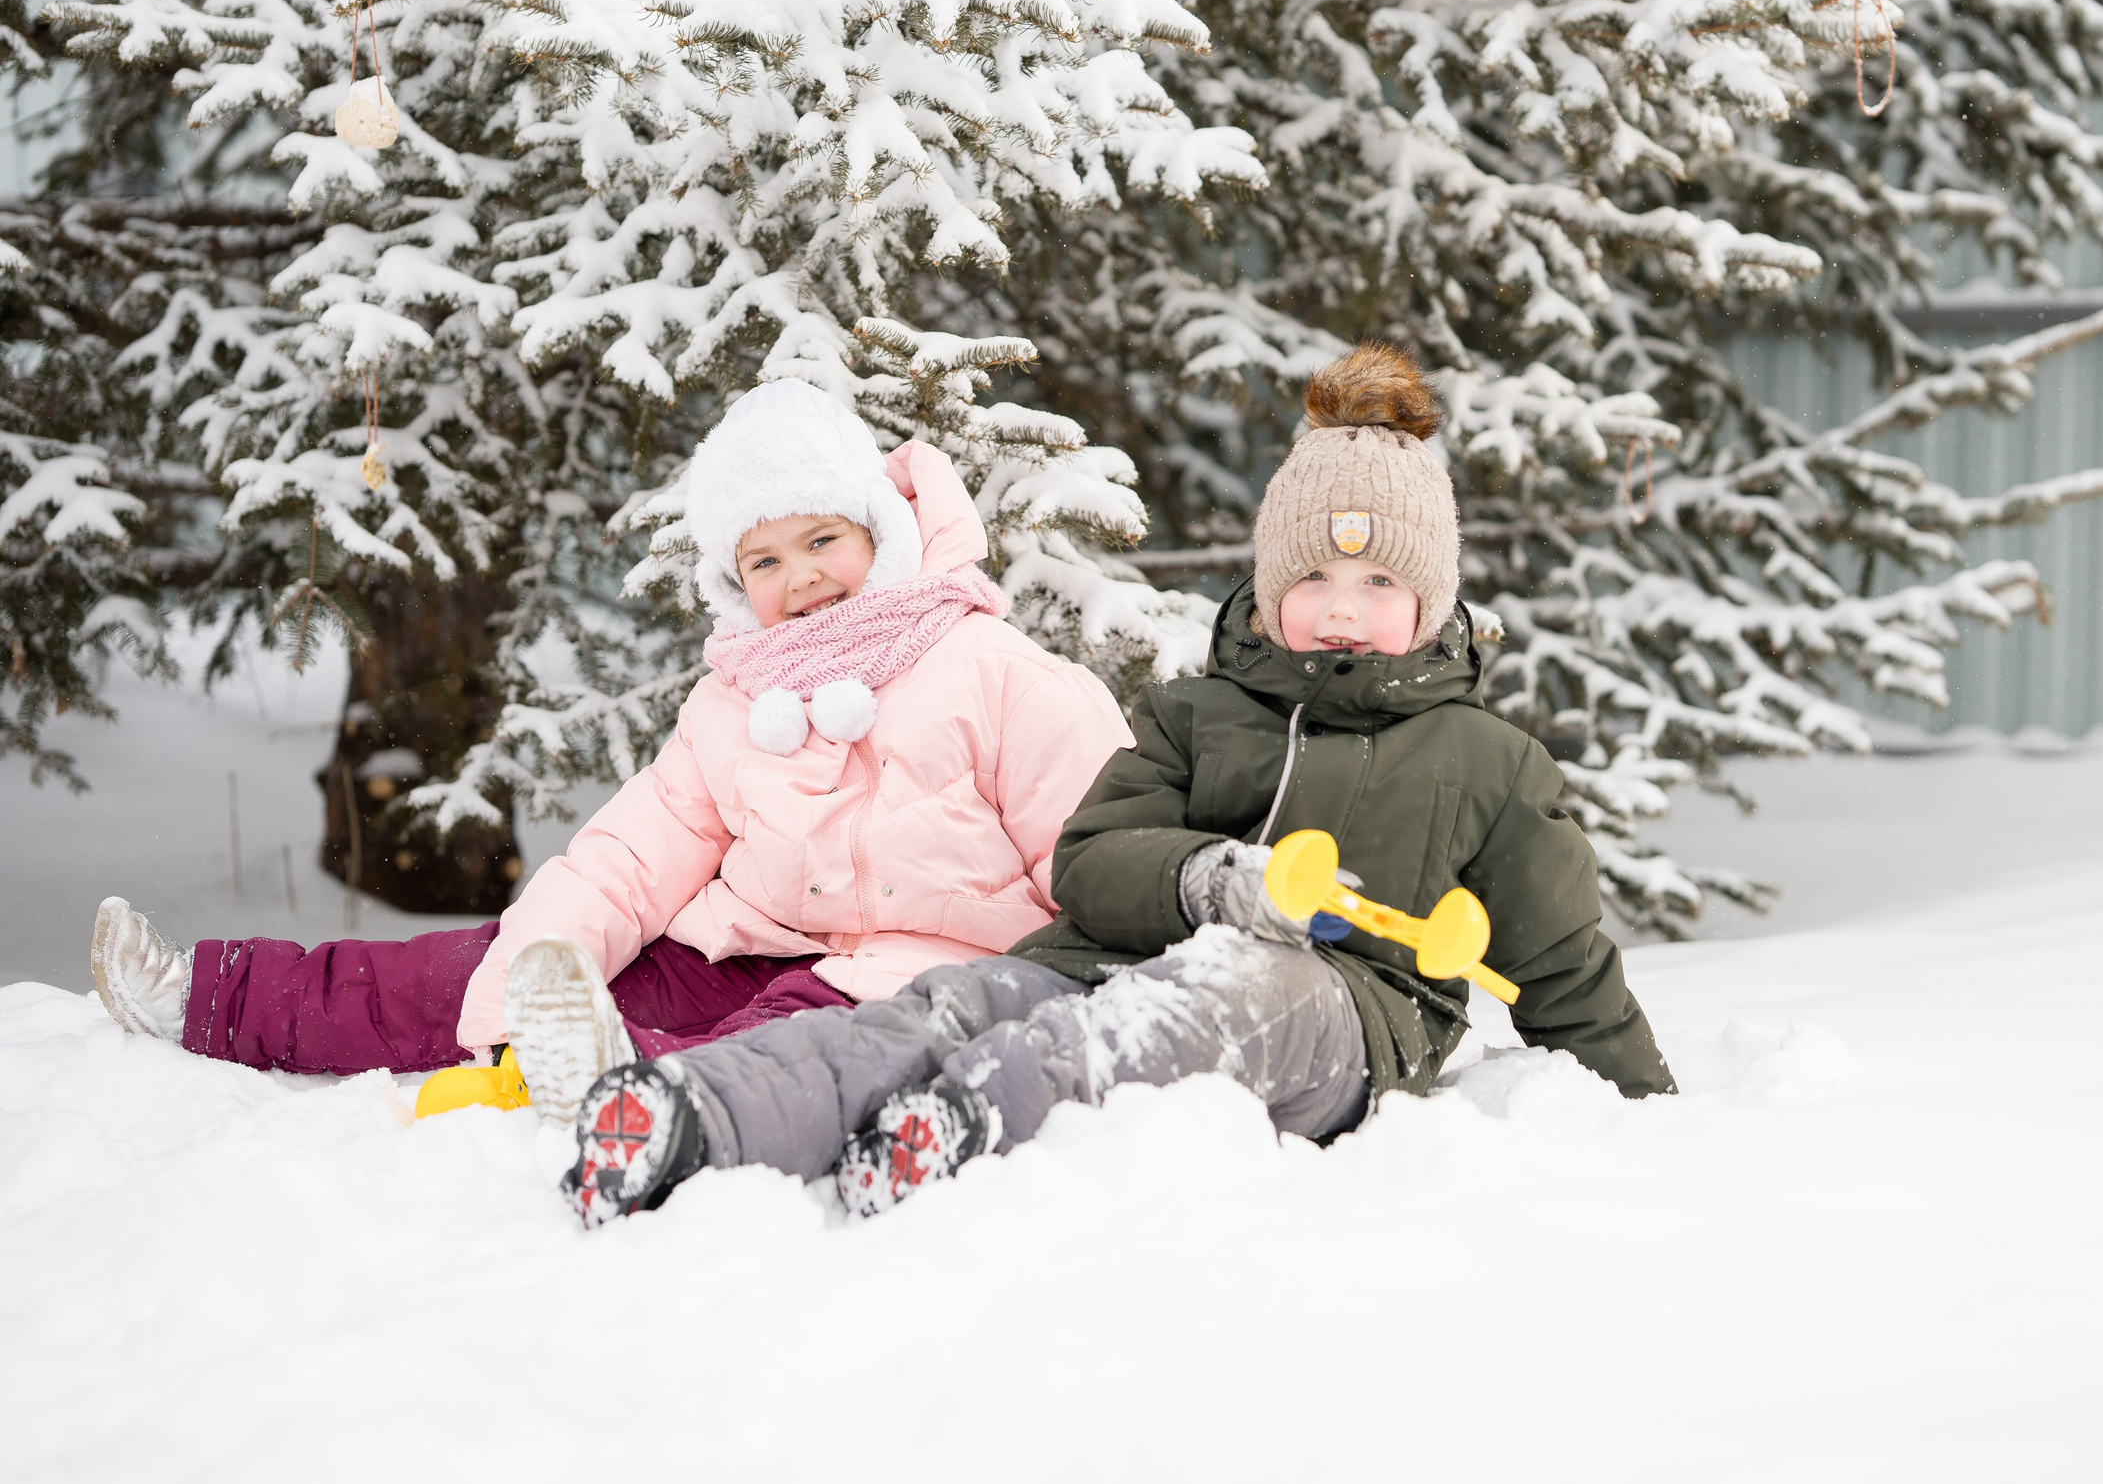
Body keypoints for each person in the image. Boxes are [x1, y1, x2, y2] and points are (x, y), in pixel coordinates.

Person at [557, 346, 1674, 1226]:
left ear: (1429, 601)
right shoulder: (1198, 714)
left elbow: (1560, 961)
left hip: (1344, 1014)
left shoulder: (1484, 759)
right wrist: (1205, 878)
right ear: (1269, 583)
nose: (1341, 607)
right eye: (1314, 577)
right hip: (1114, 961)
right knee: (960, 999)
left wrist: (1646, 1110)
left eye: (1378, 580)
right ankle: (703, 1114)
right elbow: (1089, 862)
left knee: (1231, 992)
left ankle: (966, 1119)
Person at [87, 380, 1134, 1121]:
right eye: (763, 558)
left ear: (879, 535)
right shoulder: (733, 702)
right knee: (478, 964)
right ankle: (211, 997)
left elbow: (1104, 859)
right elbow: (629, 858)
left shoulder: (991, 670)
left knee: (773, 1050)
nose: (800, 576)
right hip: (746, 944)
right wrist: (528, 981)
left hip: (917, 977)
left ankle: (612, 1087)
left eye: (822, 540)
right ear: (734, 584)